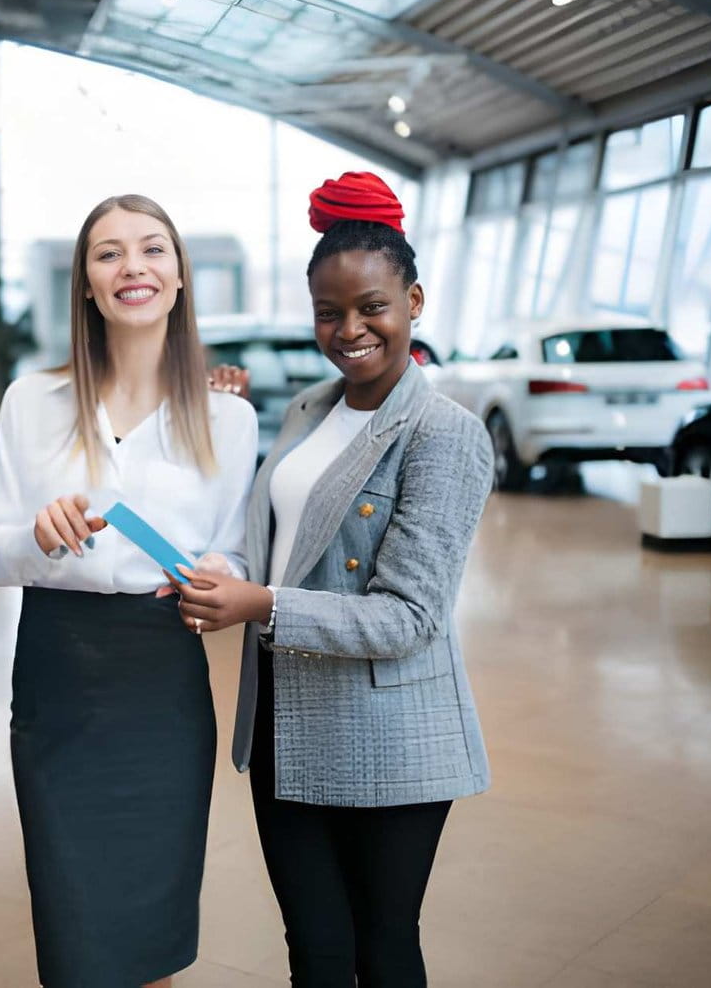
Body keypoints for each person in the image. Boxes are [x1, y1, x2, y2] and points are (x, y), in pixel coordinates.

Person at [169, 171, 492, 987]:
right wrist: (225, 576)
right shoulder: (307, 409)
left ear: (413, 301)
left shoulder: (442, 434)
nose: (349, 329)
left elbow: (407, 617)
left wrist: (262, 605)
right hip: (284, 722)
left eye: (372, 306)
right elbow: (266, 536)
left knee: (382, 948)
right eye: (328, 311)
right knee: (314, 950)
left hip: (389, 732)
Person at [0, 194, 259, 988]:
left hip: (160, 683)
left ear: (179, 278)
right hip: (58, 678)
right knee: (74, 938)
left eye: (152, 249)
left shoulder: (227, 420)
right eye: (108, 253)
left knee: (149, 932)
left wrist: (220, 582)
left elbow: (230, 550)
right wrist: (37, 533)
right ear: (87, 287)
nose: (132, 266)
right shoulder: (30, 403)